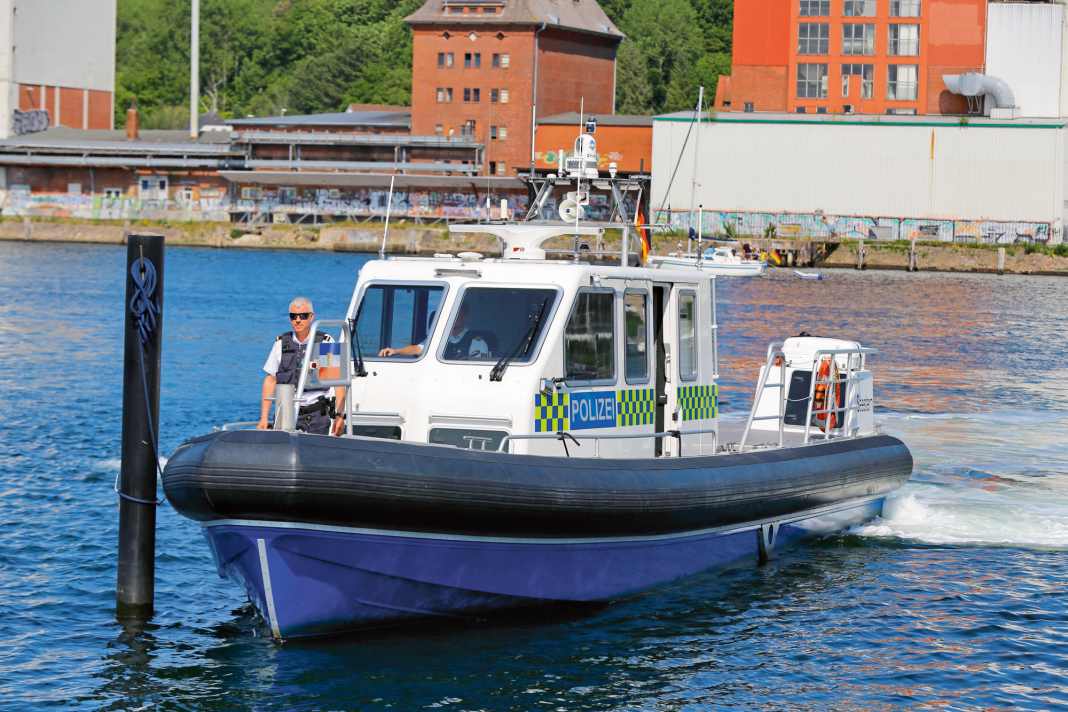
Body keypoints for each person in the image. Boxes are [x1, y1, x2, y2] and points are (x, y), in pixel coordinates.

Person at [257, 296, 346, 435]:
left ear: (311, 317)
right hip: (286, 412)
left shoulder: (327, 343)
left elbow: (338, 384)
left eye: (303, 316)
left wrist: (340, 416)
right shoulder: (280, 343)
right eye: (293, 316)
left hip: (317, 414)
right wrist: (263, 418)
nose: (298, 320)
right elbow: (270, 380)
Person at [378, 307, 491, 359]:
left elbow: (476, 369)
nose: (454, 317)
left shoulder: (476, 341)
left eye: (458, 314)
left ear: (465, 317)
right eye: (452, 314)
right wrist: (396, 351)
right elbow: (418, 348)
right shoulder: (439, 337)